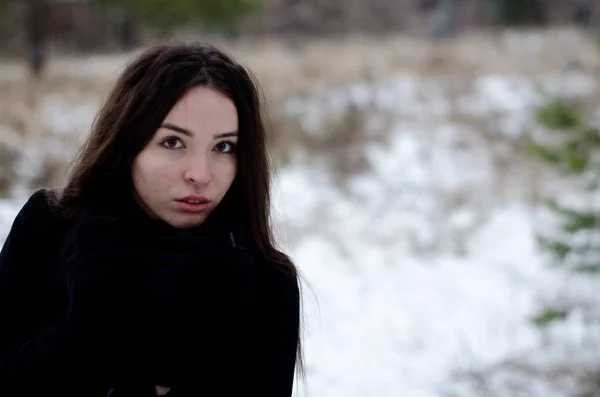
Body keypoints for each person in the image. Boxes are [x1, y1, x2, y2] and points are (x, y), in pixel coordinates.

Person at [0, 42, 304, 396]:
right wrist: (81, 337)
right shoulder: (48, 228)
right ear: (128, 143)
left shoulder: (265, 280)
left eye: (223, 147)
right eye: (173, 142)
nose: (200, 174)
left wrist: (174, 370)